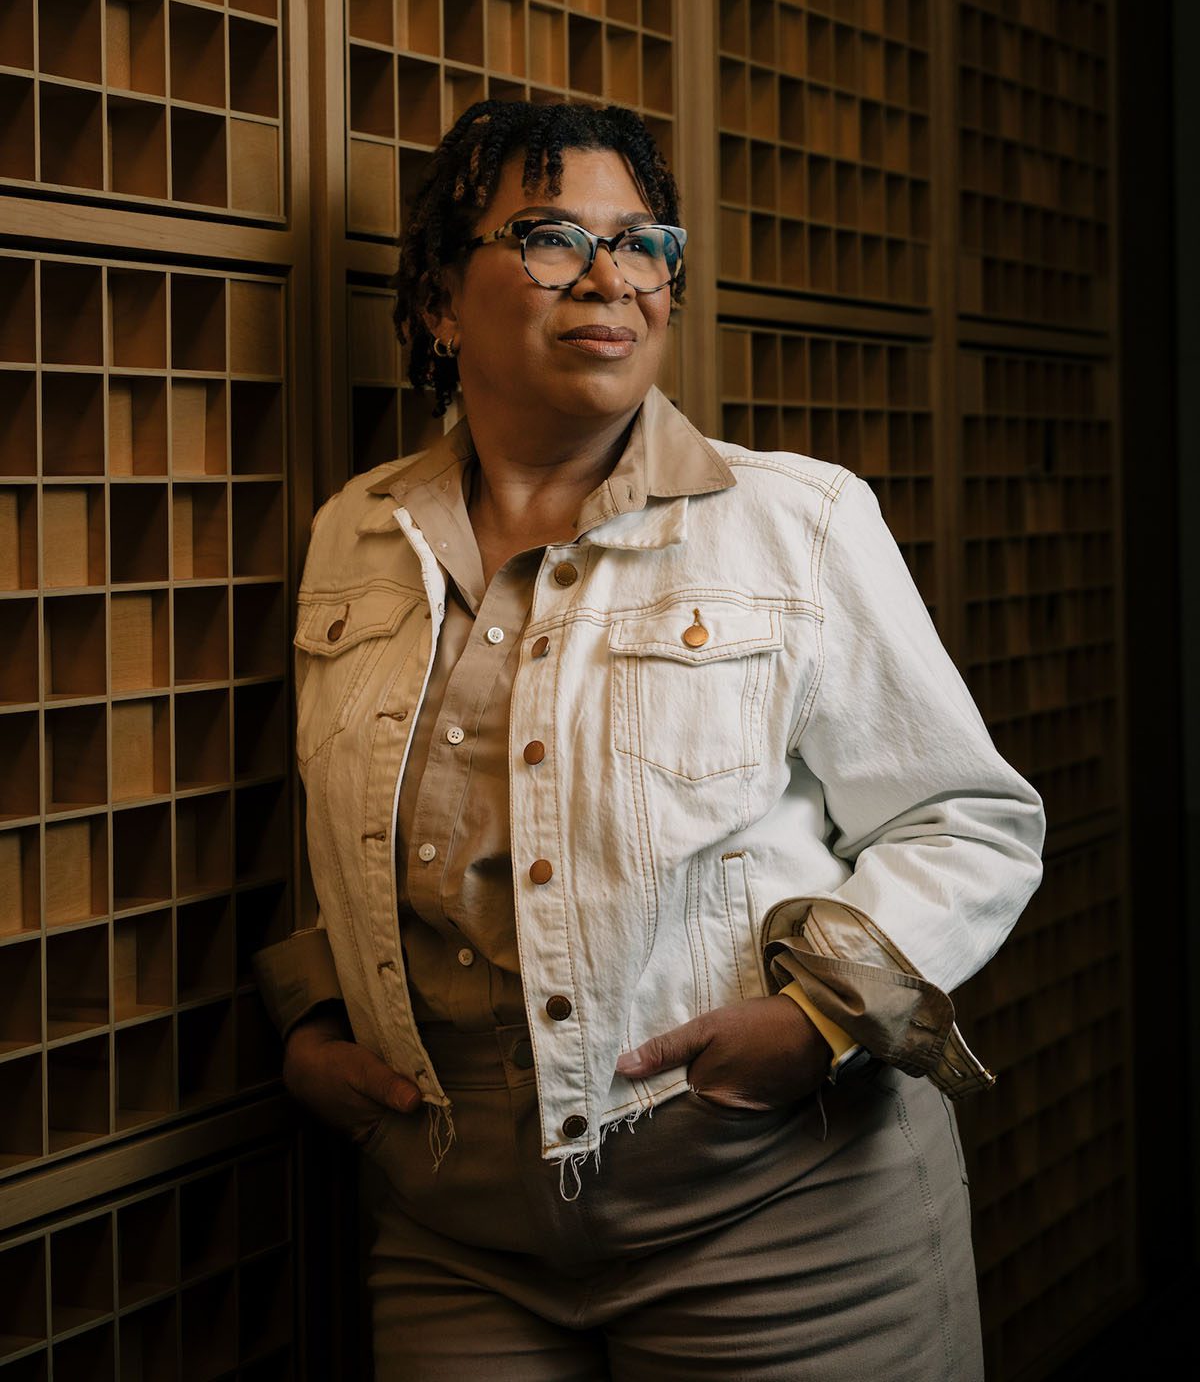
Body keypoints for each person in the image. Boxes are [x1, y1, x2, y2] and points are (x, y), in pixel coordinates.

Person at [255, 100, 1045, 1381]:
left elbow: (968, 820)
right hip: (453, 1231)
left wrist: (816, 1023)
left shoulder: (798, 522)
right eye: (553, 237)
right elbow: (339, 830)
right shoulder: (358, 533)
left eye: (643, 241)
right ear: (443, 305)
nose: (612, 276)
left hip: (783, 1217)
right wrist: (307, 1023)